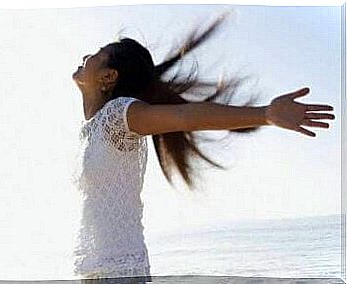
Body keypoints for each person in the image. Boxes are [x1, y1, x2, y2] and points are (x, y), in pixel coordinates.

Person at [69, 12, 335, 284]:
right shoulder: (90, 128)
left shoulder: (119, 115)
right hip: (94, 269)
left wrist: (265, 114)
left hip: (118, 271)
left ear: (108, 76)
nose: (86, 57)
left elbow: (186, 117)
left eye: (97, 55)